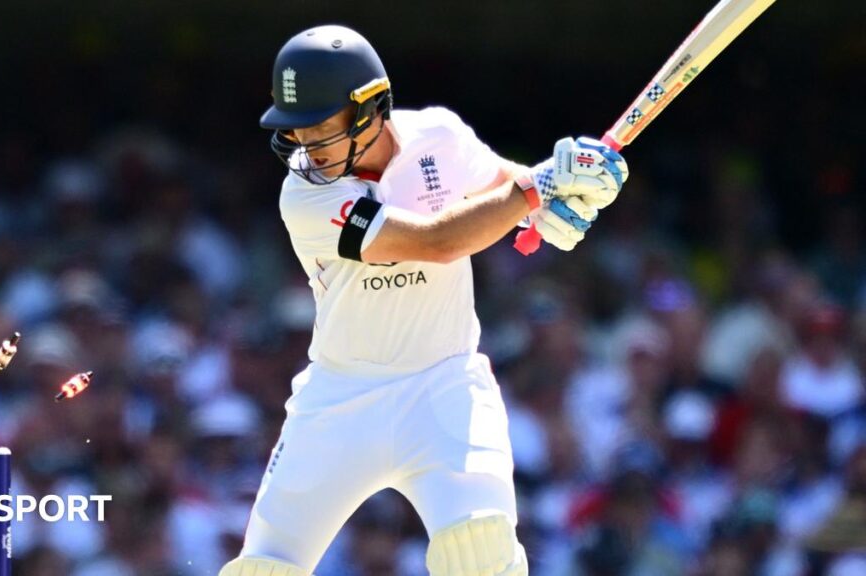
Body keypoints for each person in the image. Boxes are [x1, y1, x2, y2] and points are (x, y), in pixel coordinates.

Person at [220, 25, 628, 576]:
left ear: (368, 111)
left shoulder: (439, 136)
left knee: (481, 555)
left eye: (318, 130)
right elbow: (436, 241)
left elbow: (507, 187)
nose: (304, 149)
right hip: (341, 400)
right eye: (295, 133)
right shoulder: (306, 194)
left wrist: (561, 194)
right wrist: (538, 189)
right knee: (265, 569)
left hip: (445, 388)